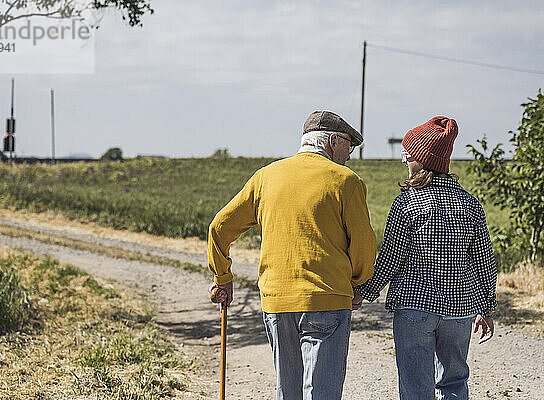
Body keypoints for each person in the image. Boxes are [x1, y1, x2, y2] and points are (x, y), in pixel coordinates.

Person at [207, 110, 377, 399]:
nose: (349, 155)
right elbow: (363, 244)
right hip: (327, 298)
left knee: (289, 392)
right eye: (349, 145)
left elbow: (219, 227)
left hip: (276, 302)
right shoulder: (346, 181)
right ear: (333, 141)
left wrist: (222, 276)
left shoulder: (265, 177)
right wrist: (358, 282)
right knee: (321, 392)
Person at [354, 116, 497, 400]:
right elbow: (484, 262)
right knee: (455, 382)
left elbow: (391, 260)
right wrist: (487, 307)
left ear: (421, 158)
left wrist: (363, 292)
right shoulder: (470, 204)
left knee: (415, 387)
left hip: (414, 308)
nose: (404, 159)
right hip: (460, 309)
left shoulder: (406, 202)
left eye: (408, 154)